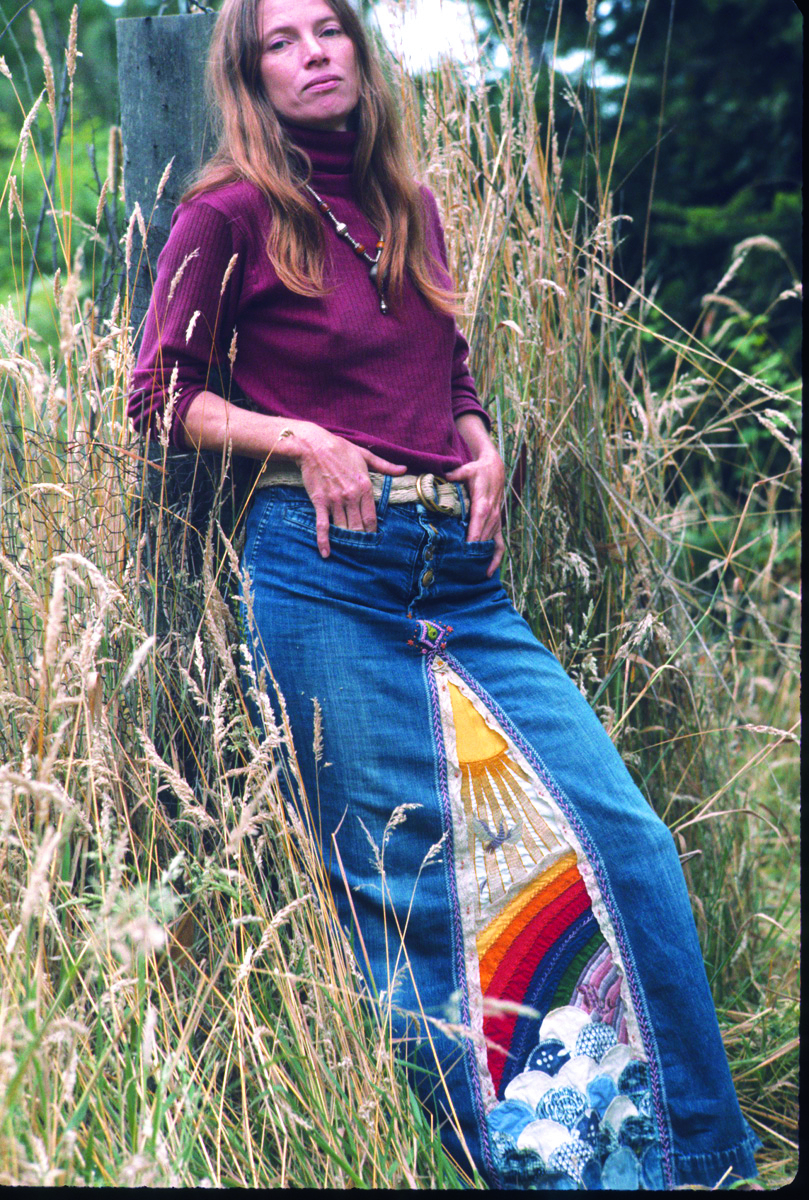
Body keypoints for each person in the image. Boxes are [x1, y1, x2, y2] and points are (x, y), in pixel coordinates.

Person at [128, 0, 761, 1188]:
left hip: (461, 578)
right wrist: (299, 439)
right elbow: (158, 394)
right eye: (283, 41)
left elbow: (449, 368)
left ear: (361, 53)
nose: (314, 54)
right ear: (249, 73)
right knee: (410, 895)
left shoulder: (407, 207)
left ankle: (689, 1159)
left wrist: (479, 440)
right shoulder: (226, 214)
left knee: (625, 844)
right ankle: (511, 1171)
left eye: (330, 31)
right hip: (324, 576)